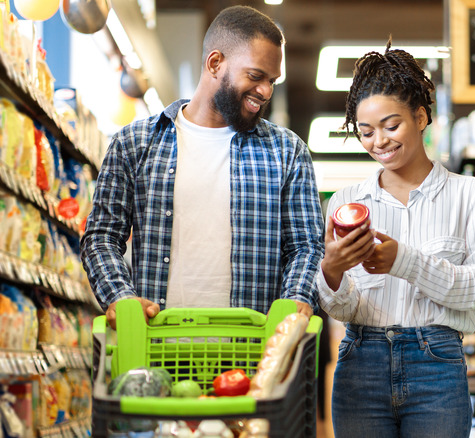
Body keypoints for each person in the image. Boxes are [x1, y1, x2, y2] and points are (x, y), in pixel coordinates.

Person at [80, 5, 324, 328]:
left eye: (272, 81)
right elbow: (100, 237)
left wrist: (296, 298)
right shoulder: (134, 144)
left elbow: (307, 247)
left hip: (254, 357)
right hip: (156, 351)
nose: (265, 91)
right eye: (255, 76)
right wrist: (120, 297)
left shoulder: (287, 152)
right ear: (215, 63)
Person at [318, 41, 475, 438]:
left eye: (391, 125)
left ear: (420, 117)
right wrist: (330, 271)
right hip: (359, 362)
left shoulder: (469, 194)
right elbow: (344, 306)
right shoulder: (346, 202)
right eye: (365, 132)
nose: (378, 141)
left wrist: (405, 261)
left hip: (437, 365)